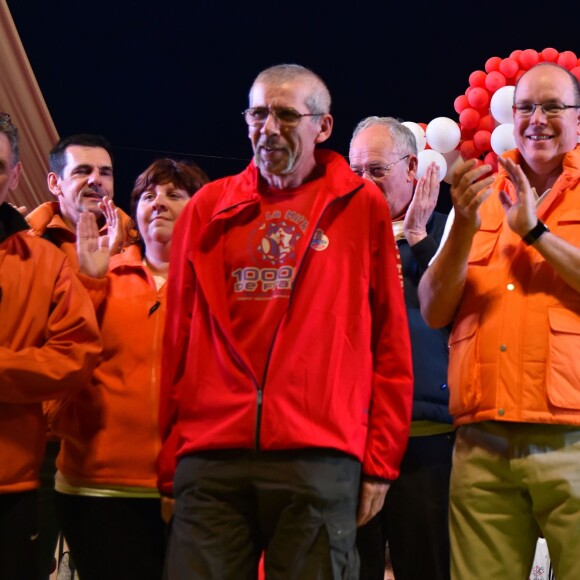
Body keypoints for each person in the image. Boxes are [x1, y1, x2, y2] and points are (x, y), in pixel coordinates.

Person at [158, 63, 413, 579]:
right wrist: (169, 461)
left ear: (323, 127)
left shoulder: (361, 206)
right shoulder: (208, 208)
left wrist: (380, 462)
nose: (268, 128)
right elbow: (177, 341)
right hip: (212, 455)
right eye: (258, 113)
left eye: (286, 115)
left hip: (319, 455)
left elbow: (389, 340)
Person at [418, 62, 580, 579]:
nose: (537, 118)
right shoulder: (479, 194)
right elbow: (433, 308)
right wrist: (463, 227)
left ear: (577, 120)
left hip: (572, 439)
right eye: (527, 106)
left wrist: (534, 233)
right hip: (481, 444)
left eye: (552, 106)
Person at [46, 158, 208, 580]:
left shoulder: (218, 284)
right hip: (96, 486)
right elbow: (59, 356)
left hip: (194, 489)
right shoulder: (100, 272)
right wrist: (90, 281)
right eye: (149, 196)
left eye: (175, 195)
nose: (159, 203)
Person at [349, 116, 453, 580]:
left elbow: (461, 305)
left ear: (413, 167)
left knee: (426, 567)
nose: (362, 183)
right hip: (352, 439)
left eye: (374, 170)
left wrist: (419, 240)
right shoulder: (335, 239)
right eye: (354, 174)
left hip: (425, 439)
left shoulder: (450, 231)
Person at [0, 113, 101, 579]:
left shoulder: (42, 261)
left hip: (13, 482)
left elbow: (76, 354)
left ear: (15, 176)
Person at [25, 132, 129, 578]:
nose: (95, 181)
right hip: (39, 443)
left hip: (111, 439)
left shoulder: (139, 245)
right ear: (54, 182)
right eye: (82, 171)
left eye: (104, 172)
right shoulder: (23, 247)